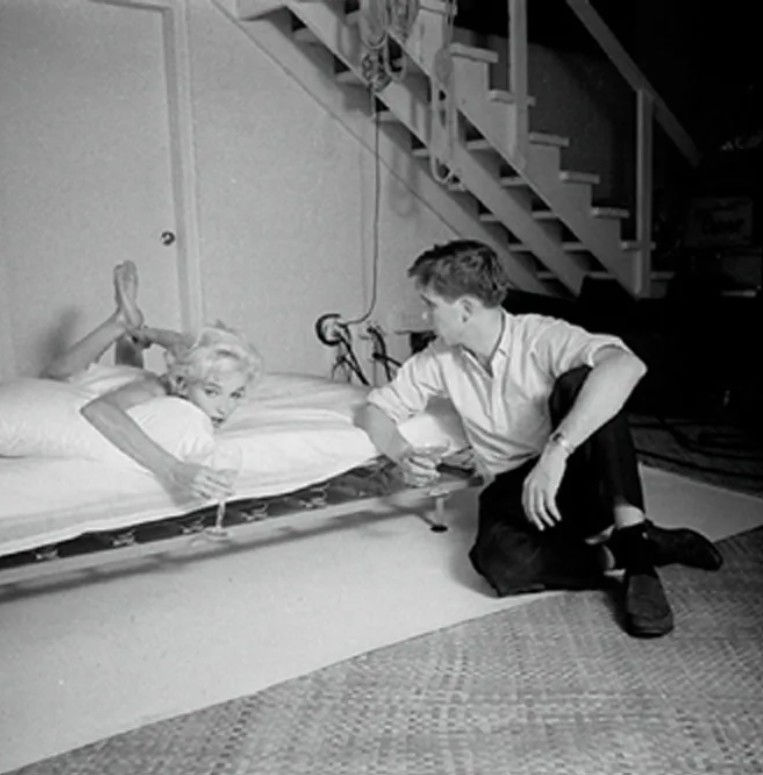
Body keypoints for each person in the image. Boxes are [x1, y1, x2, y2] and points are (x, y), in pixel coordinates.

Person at [358, 240, 722, 638]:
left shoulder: (539, 336)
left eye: (431, 305)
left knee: (586, 381)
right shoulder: (438, 358)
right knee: (498, 564)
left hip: (576, 476)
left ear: (464, 309)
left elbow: (627, 365)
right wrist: (401, 453)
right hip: (516, 491)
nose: (426, 315)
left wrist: (557, 452)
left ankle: (637, 556)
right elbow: (374, 410)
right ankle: (625, 549)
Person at [41, 261, 262, 501]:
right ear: (182, 382)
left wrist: (150, 334)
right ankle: (119, 324)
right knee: (57, 374)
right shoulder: (154, 389)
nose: (224, 408)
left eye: (236, 395)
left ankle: (132, 331)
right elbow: (98, 409)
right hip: (110, 384)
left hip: (135, 375)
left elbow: (186, 344)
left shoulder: (191, 374)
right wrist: (172, 469)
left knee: (131, 363)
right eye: (212, 392)